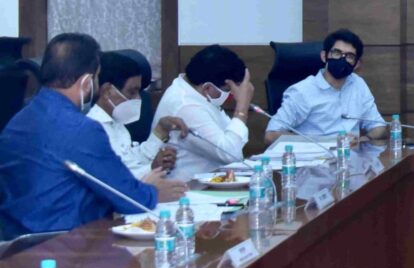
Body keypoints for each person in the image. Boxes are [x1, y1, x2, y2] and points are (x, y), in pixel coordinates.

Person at [0, 33, 186, 240]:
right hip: (68, 243)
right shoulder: (80, 128)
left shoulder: (17, 120)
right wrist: (154, 192)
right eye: (97, 77)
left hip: (16, 243)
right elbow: (127, 198)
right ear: (87, 81)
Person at [265, 29, 387, 144]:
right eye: (337, 53)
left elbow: (379, 127)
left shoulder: (358, 84)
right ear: (324, 56)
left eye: (349, 56)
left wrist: (363, 139)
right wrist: (323, 142)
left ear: (356, 64)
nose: (342, 59)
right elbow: (271, 135)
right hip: (314, 156)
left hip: (351, 155)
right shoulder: (302, 91)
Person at [154, 45, 255, 181]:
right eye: (228, 90)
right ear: (207, 87)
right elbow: (230, 154)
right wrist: (242, 108)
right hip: (188, 187)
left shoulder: (196, 93)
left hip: (213, 181)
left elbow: (235, 144)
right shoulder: (186, 106)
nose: (231, 94)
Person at [89, 52, 191, 180]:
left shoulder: (116, 123)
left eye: (139, 92)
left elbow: (132, 161)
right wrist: (152, 168)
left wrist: (160, 131)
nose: (138, 99)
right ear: (107, 91)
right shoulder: (93, 130)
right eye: (132, 92)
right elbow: (114, 179)